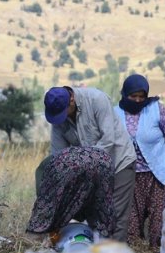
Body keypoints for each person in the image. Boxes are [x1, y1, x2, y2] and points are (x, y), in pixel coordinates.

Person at [44, 85, 137, 242]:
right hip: (92, 171)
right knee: (95, 219)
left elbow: (108, 141)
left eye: (62, 113)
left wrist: (79, 164)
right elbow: (58, 155)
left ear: (71, 99)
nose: (60, 119)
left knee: (116, 218)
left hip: (119, 163)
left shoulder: (96, 100)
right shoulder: (58, 118)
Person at [114, 74, 165, 247]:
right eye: (133, 96)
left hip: (158, 175)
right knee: (130, 222)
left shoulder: (156, 109)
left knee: (159, 222)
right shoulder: (115, 113)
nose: (138, 101)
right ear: (125, 94)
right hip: (128, 176)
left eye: (141, 97)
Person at [25, 146, 116, 242]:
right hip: (103, 160)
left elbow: (45, 203)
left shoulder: (46, 170)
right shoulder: (56, 159)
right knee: (101, 208)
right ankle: (103, 246)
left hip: (69, 164)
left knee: (41, 218)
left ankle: (34, 245)